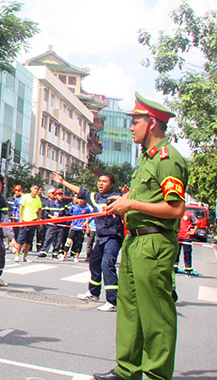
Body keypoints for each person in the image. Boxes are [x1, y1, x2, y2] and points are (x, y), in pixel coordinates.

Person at [94, 93, 188, 380]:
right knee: (130, 308)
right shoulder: (146, 161)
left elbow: (175, 209)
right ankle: (127, 370)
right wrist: (122, 206)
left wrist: (131, 204)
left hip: (154, 242)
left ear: (152, 123)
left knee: (155, 313)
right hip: (135, 241)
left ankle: (157, 374)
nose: (131, 127)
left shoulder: (167, 159)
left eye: (135, 122)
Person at [52, 171, 124, 312]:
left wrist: (126, 195)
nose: (101, 183)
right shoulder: (95, 197)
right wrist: (63, 182)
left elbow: (128, 201)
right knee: (94, 262)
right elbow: (81, 191)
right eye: (100, 181)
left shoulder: (117, 198)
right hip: (101, 237)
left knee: (107, 264)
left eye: (104, 181)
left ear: (112, 185)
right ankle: (93, 293)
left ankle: (112, 301)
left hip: (113, 236)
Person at [16, 183, 42, 262]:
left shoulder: (37, 198)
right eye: (35, 188)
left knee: (28, 241)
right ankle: (17, 255)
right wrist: (20, 219)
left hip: (32, 221)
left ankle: (24, 256)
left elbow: (40, 208)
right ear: (31, 189)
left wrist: (38, 218)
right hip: (25, 221)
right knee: (20, 240)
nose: (36, 190)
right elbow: (21, 208)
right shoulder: (25, 197)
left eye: (37, 189)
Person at [38, 189, 67, 258]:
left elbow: (66, 214)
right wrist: (51, 217)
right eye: (59, 195)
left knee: (59, 239)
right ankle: (44, 251)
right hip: (51, 224)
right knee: (48, 238)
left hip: (60, 225)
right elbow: (46, 212)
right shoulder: (50, 203)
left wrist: (61, 218)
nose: (60, 197)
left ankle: (55, 253)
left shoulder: (63, 205)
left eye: (61, 195)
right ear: (55, 196)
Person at [63, 197, 92, 262]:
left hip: (81, 228)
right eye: (79, 199)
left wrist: (86, 222)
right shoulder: (73, 207)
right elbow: (69, 214)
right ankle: (64, 256)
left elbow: (92, 216)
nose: (80, 200)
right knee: (68, 241)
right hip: (73, 227)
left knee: (79, 243)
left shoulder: (86, 208)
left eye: (82, 199)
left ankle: (76, 257)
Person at [174, 210, 199, 276]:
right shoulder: (176, 212)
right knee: (176, 252)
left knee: (187, 253)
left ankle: (188, 268)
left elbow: (197, 223)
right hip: (177, 236)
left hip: (186, 237)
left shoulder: (189, 214)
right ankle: (175, 266)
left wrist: (193, 231)